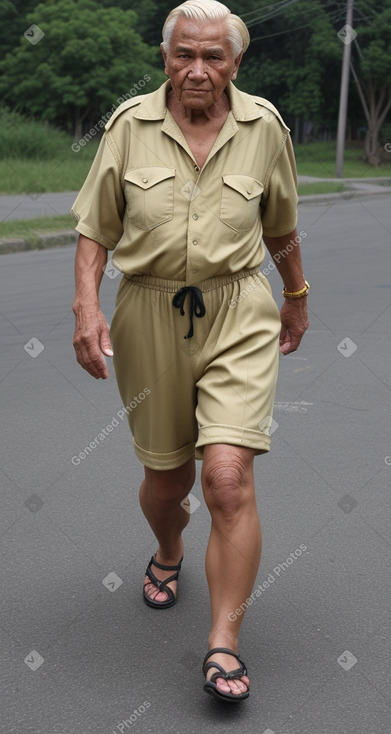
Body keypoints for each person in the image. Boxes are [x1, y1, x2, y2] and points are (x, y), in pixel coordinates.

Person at [71, 0, 309, 703]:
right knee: (168, 482)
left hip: (238, 308)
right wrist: (86, 305)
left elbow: (281, 223)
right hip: (146, 311)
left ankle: (222, 642)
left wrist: (296, 294)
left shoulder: (263, 127)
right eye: (184, 55)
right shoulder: (128, 126)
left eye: (213, 57)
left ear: (236, 64)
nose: (196, 71)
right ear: (165, 57)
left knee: (227, 479)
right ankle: (169, 548)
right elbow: (94, 229)